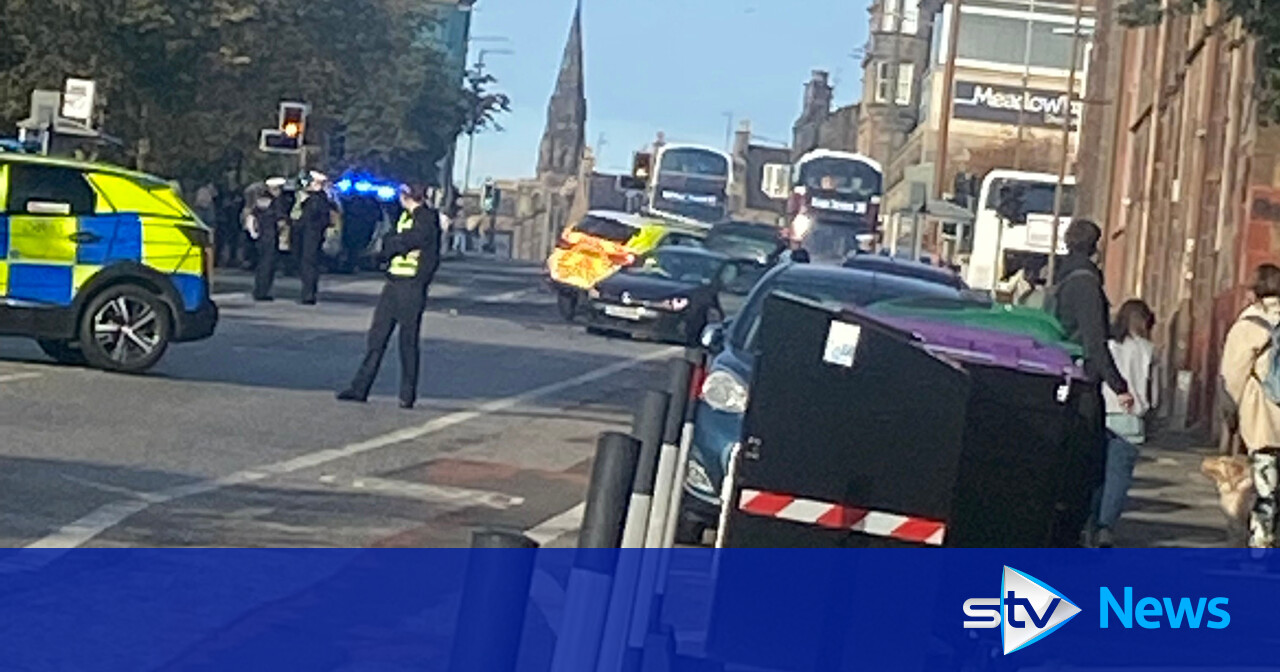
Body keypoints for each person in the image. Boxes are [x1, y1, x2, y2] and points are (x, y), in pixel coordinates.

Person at [1046, 218, 1133, 546]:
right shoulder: (1086, 283)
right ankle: (1074, 536)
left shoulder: (1064, 278)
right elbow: (1094, 341)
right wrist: (1119, 386)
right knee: (1087, 464)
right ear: (1095, 246)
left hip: (1064, 376)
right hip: (1082, 383)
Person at [337, 185, 442, 409]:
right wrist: (393, 245)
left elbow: (414, 240)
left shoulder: (427, 218)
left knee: (407, 341)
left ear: (407, 196)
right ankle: (360, 388)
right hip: (394, 282)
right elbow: (392, 240)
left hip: (412, 285)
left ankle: (407, 394)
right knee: (377, 337)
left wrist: (396, 243)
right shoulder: (404, 216)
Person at [1220, 264, 1280, 548]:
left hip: (1263, 419)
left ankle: (1261, 547)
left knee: (1265, 488)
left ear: (1255, 291)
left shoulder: (1249, 325)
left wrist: (1230, 413)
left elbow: (1232, 375)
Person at [1091, 299, 1158, 548]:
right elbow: (1155, 394)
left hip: (1102, 413)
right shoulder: (1148, 350)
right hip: (1130, 419)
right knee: (1118, 478)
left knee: (1097, 475)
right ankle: (1105, 528)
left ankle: (1089, 523)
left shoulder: (1108, 346)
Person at [297, 173, 334, 305]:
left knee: (308, 264)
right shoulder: (323, 199)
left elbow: (308, 218)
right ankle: (309, 292)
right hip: (314, 235)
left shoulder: (315, 199)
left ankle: (308, 294)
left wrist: (304, 202)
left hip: (311, 235)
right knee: (310, 264)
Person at [251, 178, 289, 302]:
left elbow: (253, 216)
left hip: (262, 236)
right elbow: (281, 220)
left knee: (262, 264)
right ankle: (264, 292)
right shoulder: (276, 202)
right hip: (271, 236)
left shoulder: (261, 200)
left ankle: (259, 290)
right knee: (268, 265)